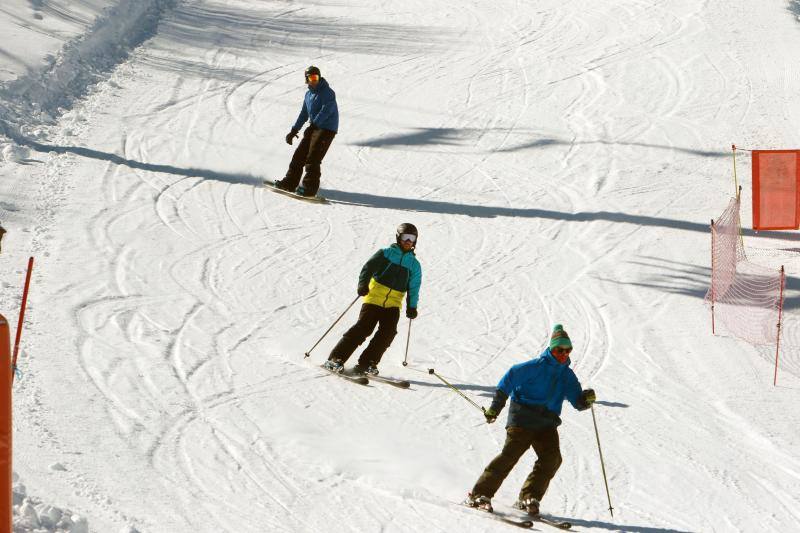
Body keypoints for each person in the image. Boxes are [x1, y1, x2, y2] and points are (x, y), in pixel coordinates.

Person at [464, 324, 596, 517]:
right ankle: (479, 494)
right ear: (552, 349)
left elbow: (577, 402)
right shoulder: (535, 366)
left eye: (568, 350)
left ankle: (528, 498)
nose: (564, 354)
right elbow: (507, 380)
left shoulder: (567, 376)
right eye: (560, 349)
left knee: (552, 459)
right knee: (510, 455)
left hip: (547, 423)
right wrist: (495, 408)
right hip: (523, 417)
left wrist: (585, 399)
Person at [324, 223, 422, 376]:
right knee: (363, 329)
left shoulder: (414, 265)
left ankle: (367, 362)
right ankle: (335, 358)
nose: (408, 241)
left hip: (393, 304)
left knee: (388, 333)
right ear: (398, 238)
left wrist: (412, 306)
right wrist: (363, 284)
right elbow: (368, 268)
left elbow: (414, 287)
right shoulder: (386, 253)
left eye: (412, 238)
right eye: (405, 237)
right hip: (374, 299)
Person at [274, 66, 338, 197]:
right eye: (311, 78)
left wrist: (314, 125)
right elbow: (304, 114)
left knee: (313, 158)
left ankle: (309, 189)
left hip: (327, 129)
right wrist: (294, 130)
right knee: (299, 155)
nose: (314, 80)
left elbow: (326, 111)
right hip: (314, 127)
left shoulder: (328, 93)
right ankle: (290, 182)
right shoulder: (308, 95)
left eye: (316, 77)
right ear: (306, 80)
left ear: (320, 78)